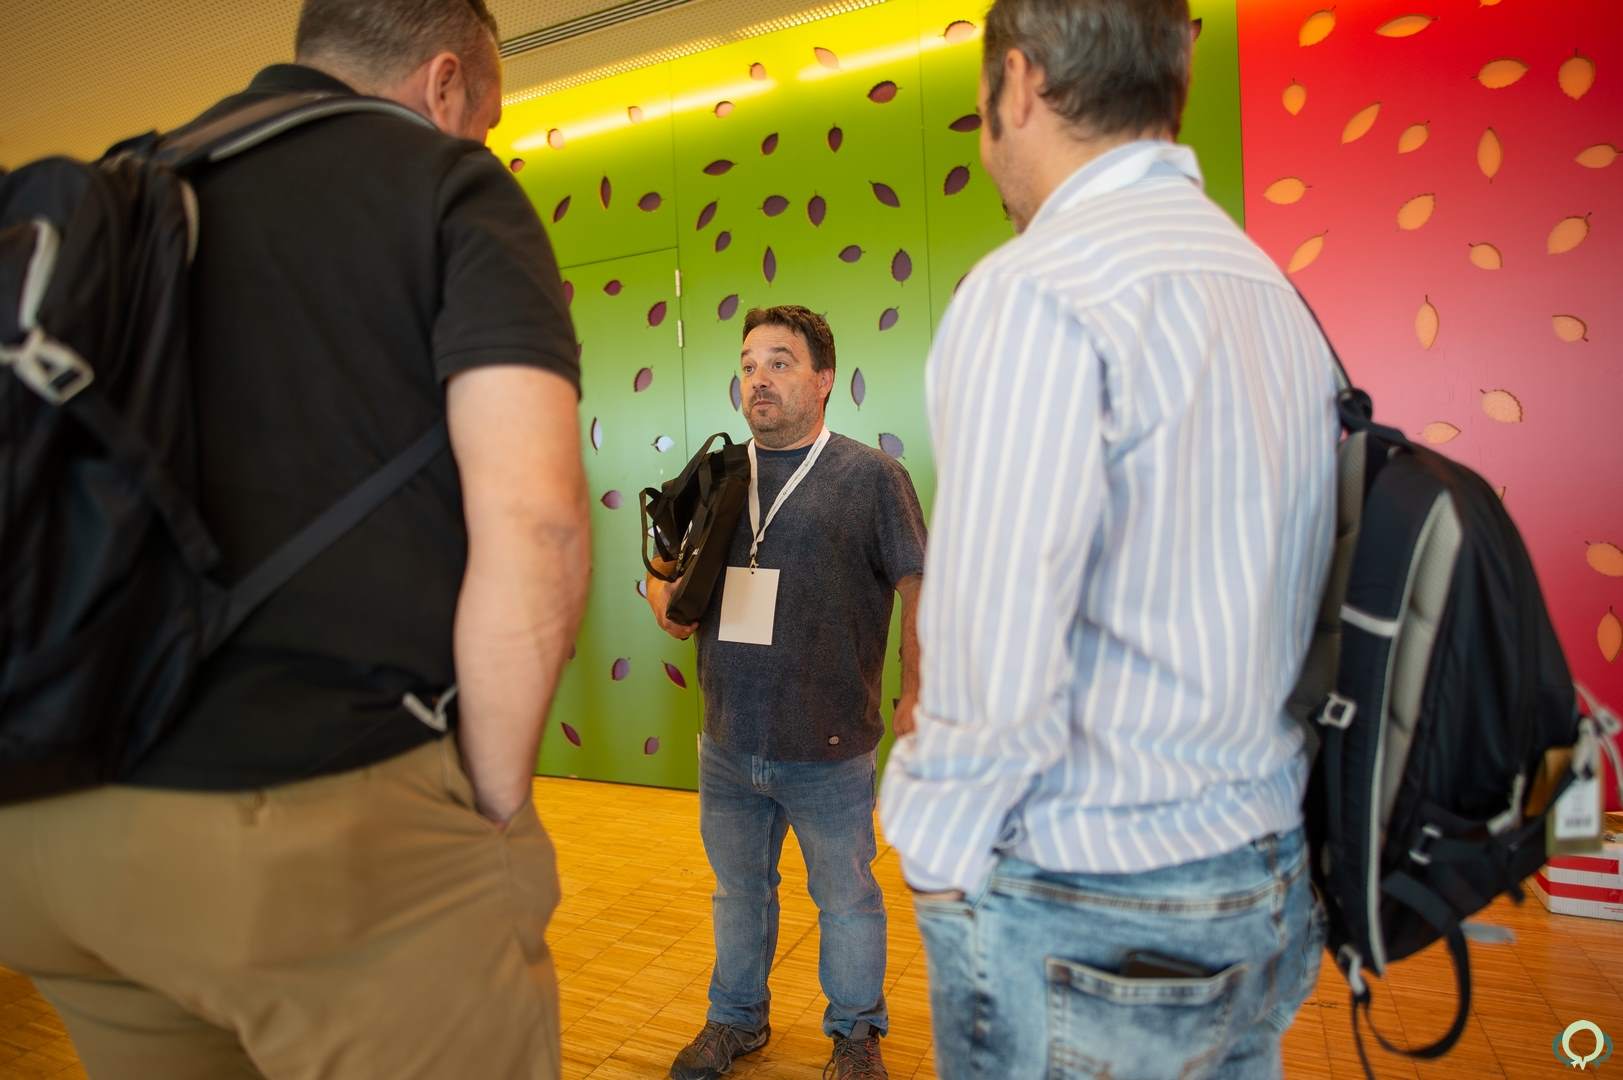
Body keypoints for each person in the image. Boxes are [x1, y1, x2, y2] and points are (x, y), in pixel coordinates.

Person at [0, 1, 589, 1076]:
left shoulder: (134, 178)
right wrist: (491, 808)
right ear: (446, 82)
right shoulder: (446, 183)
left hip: (45, 824)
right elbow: (537, 523)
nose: (481, 140)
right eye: (487, 117)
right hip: (301, 827)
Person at [879, 0, 1337, 1076]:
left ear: (1018, 84)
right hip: (1265, 869)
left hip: (1088, 898)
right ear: (1177, 74)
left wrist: (938, 851)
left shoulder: (1038, 286)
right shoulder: (1266, 287)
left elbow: (995, 638)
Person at [645, 305, 926, 1080]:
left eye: (779, 362)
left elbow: (919, 585)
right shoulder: (716, 476)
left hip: (828, 745)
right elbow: (666, 580)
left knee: (846, 898)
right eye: (747, 365)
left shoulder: (871, 477)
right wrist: (662, 589)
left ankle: (855, 1033)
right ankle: (735, 1020)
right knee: (738, 894)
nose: (758, 380)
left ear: (822, 378)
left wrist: (917, 691)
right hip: (727, 740)